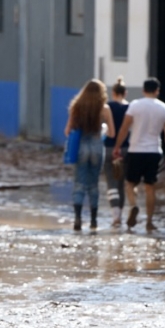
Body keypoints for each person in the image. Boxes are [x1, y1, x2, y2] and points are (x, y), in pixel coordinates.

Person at [113, 77, 165, 232]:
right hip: (154, 151)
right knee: (150, 187)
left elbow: (124, 128)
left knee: (130, 183)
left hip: (135, 150)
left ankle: (133, 205)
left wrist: (118, 146)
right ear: (157, 91)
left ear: (143, 90)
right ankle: (149, 221)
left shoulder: (134, 105)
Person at [64, 79, 114, 231]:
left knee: (79, 184)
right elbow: (112, 133)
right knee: (93, 185)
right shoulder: (104, 109)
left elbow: (67, 131)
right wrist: (103, 130)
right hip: (98, 148)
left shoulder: (76, 108)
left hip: (81, 148)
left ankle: (77, 218)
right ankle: (93, 221)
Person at [104, 78, 129, 228]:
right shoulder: (131, 108)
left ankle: (115, 216)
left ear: (113, 93)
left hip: (108, 147)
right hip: (126, 148)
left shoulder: (108, 107)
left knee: (111, 183)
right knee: (121, 183)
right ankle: (120, 213)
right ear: (125, 93)